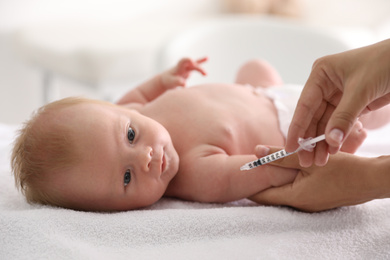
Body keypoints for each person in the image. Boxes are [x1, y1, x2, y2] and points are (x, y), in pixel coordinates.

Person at [10, 56, 383, 212]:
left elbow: (140, 94)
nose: (145, 158)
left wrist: (166, 78)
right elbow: (257, 167)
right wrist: (306, 156)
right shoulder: (193, 175)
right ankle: (338, 141)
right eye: (126, 177)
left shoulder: (131, 110)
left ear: (119, 112)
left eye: (130, 137)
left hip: (262, 93)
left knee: (254, 66)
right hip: (299, 124)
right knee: (366, 111)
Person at [250, 38, 390, 212]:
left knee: (254, 67)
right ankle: (350, 134)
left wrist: (364, 178)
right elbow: (233, 173)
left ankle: (367, 112)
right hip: (287, 126)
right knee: (360, 110)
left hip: (270, 94)